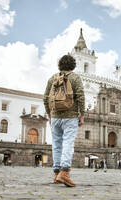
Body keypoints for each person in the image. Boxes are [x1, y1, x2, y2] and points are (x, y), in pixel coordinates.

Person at [44, 54, 85, 187]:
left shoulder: (53, 78)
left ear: (60, 65)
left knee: (56, 144)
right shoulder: (75, 77)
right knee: (68, 142)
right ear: (73, 65)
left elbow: (45, 98)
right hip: (70, 116)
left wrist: (49, 114)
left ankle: (56, 174)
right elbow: (80, 96)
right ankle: (64, 172)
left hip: (55, 116)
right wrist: (82, 114)